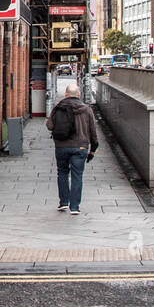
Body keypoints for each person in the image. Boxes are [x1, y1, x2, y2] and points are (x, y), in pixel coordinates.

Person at [45, 83, 98, 215]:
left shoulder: (58, 108)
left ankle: (63, 203)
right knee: (77, 176)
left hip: (61, 146)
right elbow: (93, 131)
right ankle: (75, 207)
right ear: (79, 95)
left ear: (66, 94)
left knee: (62, 173)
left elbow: (50, 126)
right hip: (80, 147)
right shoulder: (86, 109)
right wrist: (93, 149)